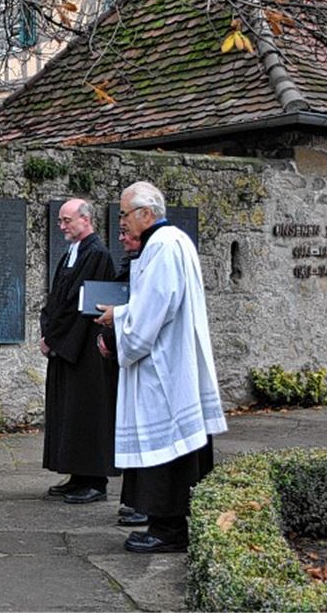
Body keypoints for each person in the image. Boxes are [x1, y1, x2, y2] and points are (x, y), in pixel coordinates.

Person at [96, 181, 228, 553]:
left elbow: (152, 310)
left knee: (166, 448)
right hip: (170, 360)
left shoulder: (163, 247)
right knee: (172, 447)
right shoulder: (172, 242)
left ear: (145, 213)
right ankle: (163, 524)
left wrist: (116, 318)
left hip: (163, 368)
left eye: (124, 214)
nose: (121, 221)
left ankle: (168, 529)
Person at [39, 199, 118, 504]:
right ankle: (76, 475)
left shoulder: (96, 254)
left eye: (67, 221)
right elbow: (57, 297)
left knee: (87, 412)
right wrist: (47, 331)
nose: (62, 227)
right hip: (67, 346)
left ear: (85, 220)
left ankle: (94, 481)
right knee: (70, 412)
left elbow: (79, 304)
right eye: (60, 221)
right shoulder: (73, 253)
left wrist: (56, 340)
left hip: (84, 349)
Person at [96, 227, 148, 528]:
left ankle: (146, 503)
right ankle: (135, 498)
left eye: (127, 232)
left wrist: (116, 324)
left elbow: (142, 311)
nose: (121, 238)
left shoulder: (154, 261)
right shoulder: (132, 261)